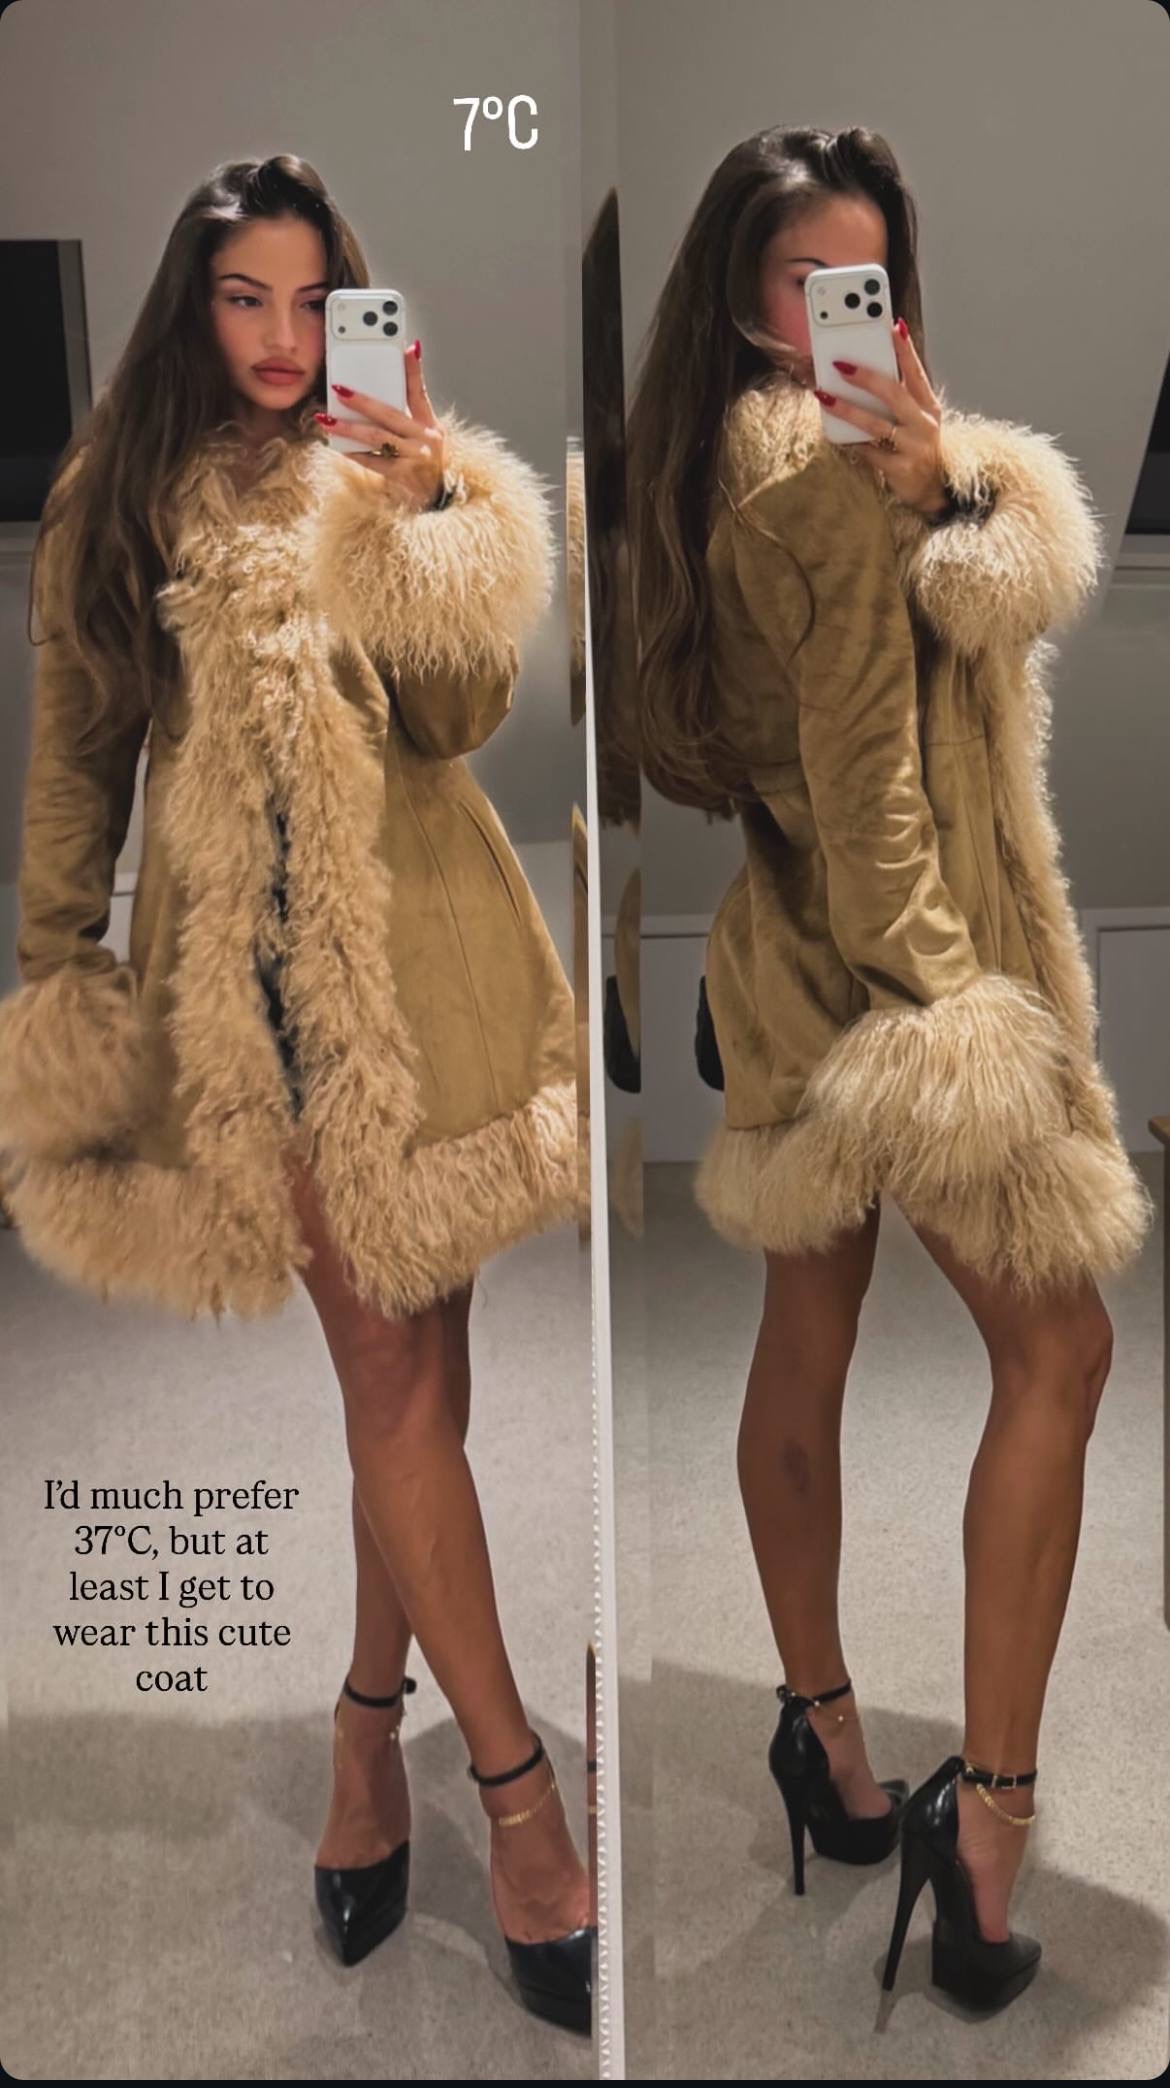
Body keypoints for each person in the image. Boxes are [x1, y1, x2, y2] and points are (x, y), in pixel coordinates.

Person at [0, 154, 591, 2031]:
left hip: (436, 964)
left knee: (426, 1382)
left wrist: (424, 512)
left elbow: (459, 722)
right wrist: (55, 970)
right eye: (241, 297)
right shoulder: (116, 494)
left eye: (308, 300)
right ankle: (515, 1797)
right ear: (194, 302)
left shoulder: (385, 465)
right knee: (390, 1376)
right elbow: (78, 762)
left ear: (352, 305)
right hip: (257, 1003)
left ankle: (361, 1721)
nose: (275, 335)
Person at [627, 123, 1152, 2013]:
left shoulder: (742, 466)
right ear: (745, 302)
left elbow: (804, 727)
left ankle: (826, 1741)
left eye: (870, 278)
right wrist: (960, 1020)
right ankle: (985, 1828)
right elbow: (870, 809)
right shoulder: (817, 491)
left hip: (784, 961)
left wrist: (960, 477)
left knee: (807, 1335)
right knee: (1062, 1354)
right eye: (807, 283)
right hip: (885, 975)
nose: (845, 312)